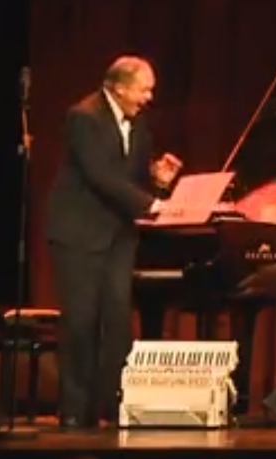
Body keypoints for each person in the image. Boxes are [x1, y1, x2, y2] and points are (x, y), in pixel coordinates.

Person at [45, 56, 184, 429]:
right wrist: (152, 205)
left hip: (119, 236)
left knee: (118, 321)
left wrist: (157, 179)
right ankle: (75, 410)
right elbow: (100, 176)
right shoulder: (84, 116)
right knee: (81, 322)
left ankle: (111, 405)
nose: (149, 97)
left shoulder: (138, 124)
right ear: (119, 87)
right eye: (144, 89)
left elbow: (130, 179)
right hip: (79, 234)